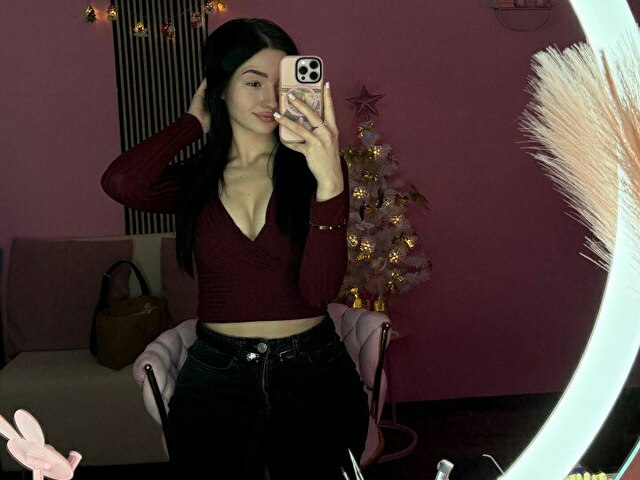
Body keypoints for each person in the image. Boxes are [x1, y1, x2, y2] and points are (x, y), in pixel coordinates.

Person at [101, 18, 370, 480]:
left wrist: (329, 183)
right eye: (253, 81)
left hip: (313, 370)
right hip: (216, 374)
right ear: (219, 88)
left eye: (281, 83)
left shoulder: (316, 168)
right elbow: (122, 182)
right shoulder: (196, 180)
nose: (270, 99)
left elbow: (318, 291)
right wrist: (192, 123)